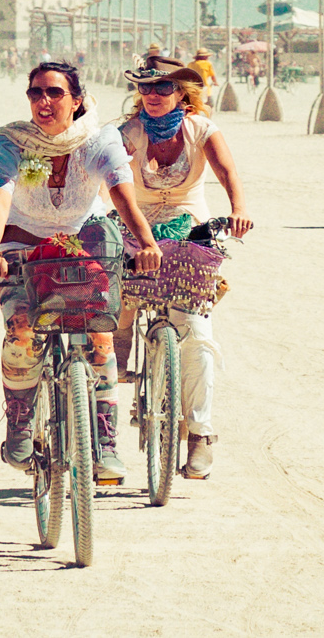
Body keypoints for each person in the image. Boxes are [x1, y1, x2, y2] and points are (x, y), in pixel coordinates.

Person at [0, 61, 162, 486]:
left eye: (55, 93)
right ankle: (20, 420)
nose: (44, 101)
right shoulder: (11, 143)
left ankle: (106, 442)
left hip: (84, 239)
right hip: (22, 245)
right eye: (36, 93)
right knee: (23, 330)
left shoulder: (99, 140)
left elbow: (123, 196)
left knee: (99, 333)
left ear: (76, 101)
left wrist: (147, 243)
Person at [115, 61, 251, 480]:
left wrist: (239, 210)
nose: (153, 94)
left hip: (191, 225)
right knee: (113, 297)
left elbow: (226, 170)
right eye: (146, 88)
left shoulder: (201, 130)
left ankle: (200, 435)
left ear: (181, 93)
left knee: (196, 331)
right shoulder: (127, 133)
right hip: (136, 223)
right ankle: (120, 349)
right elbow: (109, 174)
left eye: (163, 87)